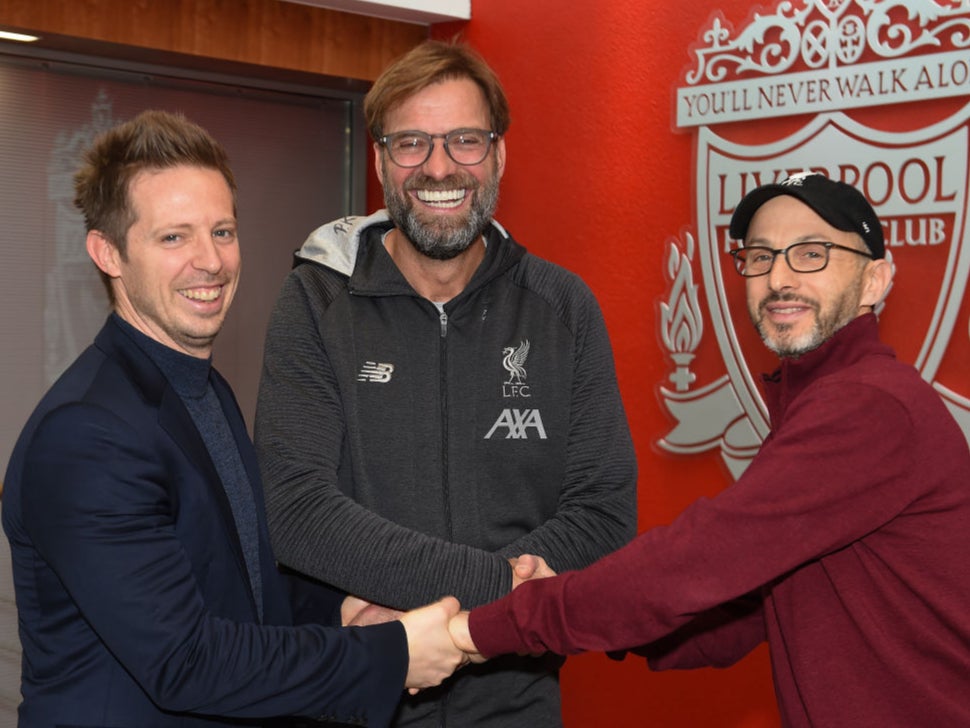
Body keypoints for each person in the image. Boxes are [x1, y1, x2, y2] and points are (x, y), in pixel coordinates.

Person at [452, 172, 970, 727]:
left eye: (812, 254)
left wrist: (480, 629)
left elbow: (698, 561)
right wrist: (574, 603)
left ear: (875, 281)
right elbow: (737, 616)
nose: (779, 278)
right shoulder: (819, 400)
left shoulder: (868, 407)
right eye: (761, 256)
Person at [1, 109, 465, 728]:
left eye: (222, 231)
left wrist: (345, 612)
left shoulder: (203, 390)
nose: (211, 261)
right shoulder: (87, 435)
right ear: (107, 252)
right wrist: (392, 655)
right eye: (174, 237)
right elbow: (186, 660)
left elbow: (239, 576)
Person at [254, 40, 637, 727]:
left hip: (518, 698)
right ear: (378, 160)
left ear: (498, 155)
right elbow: (297, 511)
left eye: (464, 140)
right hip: (360, 693)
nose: (438, 166)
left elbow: (604, 513)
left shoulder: (562, 308)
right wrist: (499, 591)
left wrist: (467, 629)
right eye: (411, 143)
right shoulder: (315, 301)